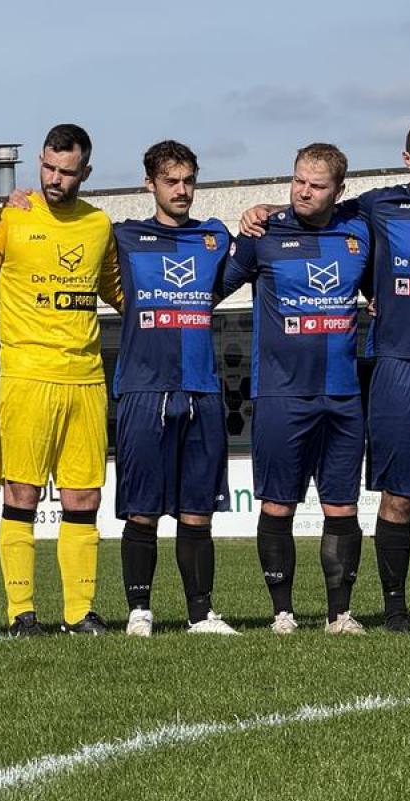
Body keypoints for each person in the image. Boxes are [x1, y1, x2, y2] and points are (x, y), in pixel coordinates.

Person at [241, 120, 410, 631]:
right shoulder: (375, 207)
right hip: (399, 367)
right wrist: (263, 211)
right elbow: (316, 210)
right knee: (398, 494)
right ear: (407, 159)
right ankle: (394, 610)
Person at [0, 123, 122, 637]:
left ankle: (80, 612)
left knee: (84, 497)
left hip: (86, 379)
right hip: (26, 377)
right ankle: (22, 614)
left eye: (66, 171)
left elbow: (117, 290)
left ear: (86, 171)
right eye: (48, 168)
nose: (55, 179)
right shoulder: (12, 219)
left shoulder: (99, 225)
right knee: (22, 492)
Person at [222, 143, 370, 635]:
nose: (304, 192)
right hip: (281, 394)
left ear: (339, 191)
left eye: (317, 185)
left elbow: (382, 286)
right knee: (278, 504)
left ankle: (339, 614)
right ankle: (282, 613)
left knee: (342, 507)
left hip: (343, 394)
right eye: (298, 181)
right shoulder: (263, 235)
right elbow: (210, 288)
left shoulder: (359, 232)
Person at [108, 140, 236, 637]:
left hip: (201, 389)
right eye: (171, 181)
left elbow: (244, 267)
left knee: (197, 511)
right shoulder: (124, 237)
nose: (181, 191)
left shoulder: (213, 237)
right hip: (144, 389)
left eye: (188, 181)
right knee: (142, 510)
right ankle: (140, 611)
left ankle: (201, 613)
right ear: (150, 184)